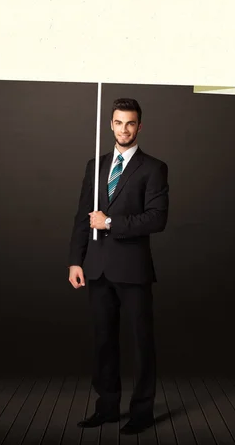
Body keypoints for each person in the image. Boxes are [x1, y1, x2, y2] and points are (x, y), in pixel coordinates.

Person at [68, 97, 169, 435]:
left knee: (141, 343)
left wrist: (110, 222)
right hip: (96, 269)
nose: (124, 129)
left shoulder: (154, 168)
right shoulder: (93, 166)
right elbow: (83, 217)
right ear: (110, 124)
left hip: (133, 270)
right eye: (118, 122)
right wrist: (74, 261)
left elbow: (157, 219)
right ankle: (107, 408)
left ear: (139, 126)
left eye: (130, 123)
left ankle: (141, 412)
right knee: (103, 342)